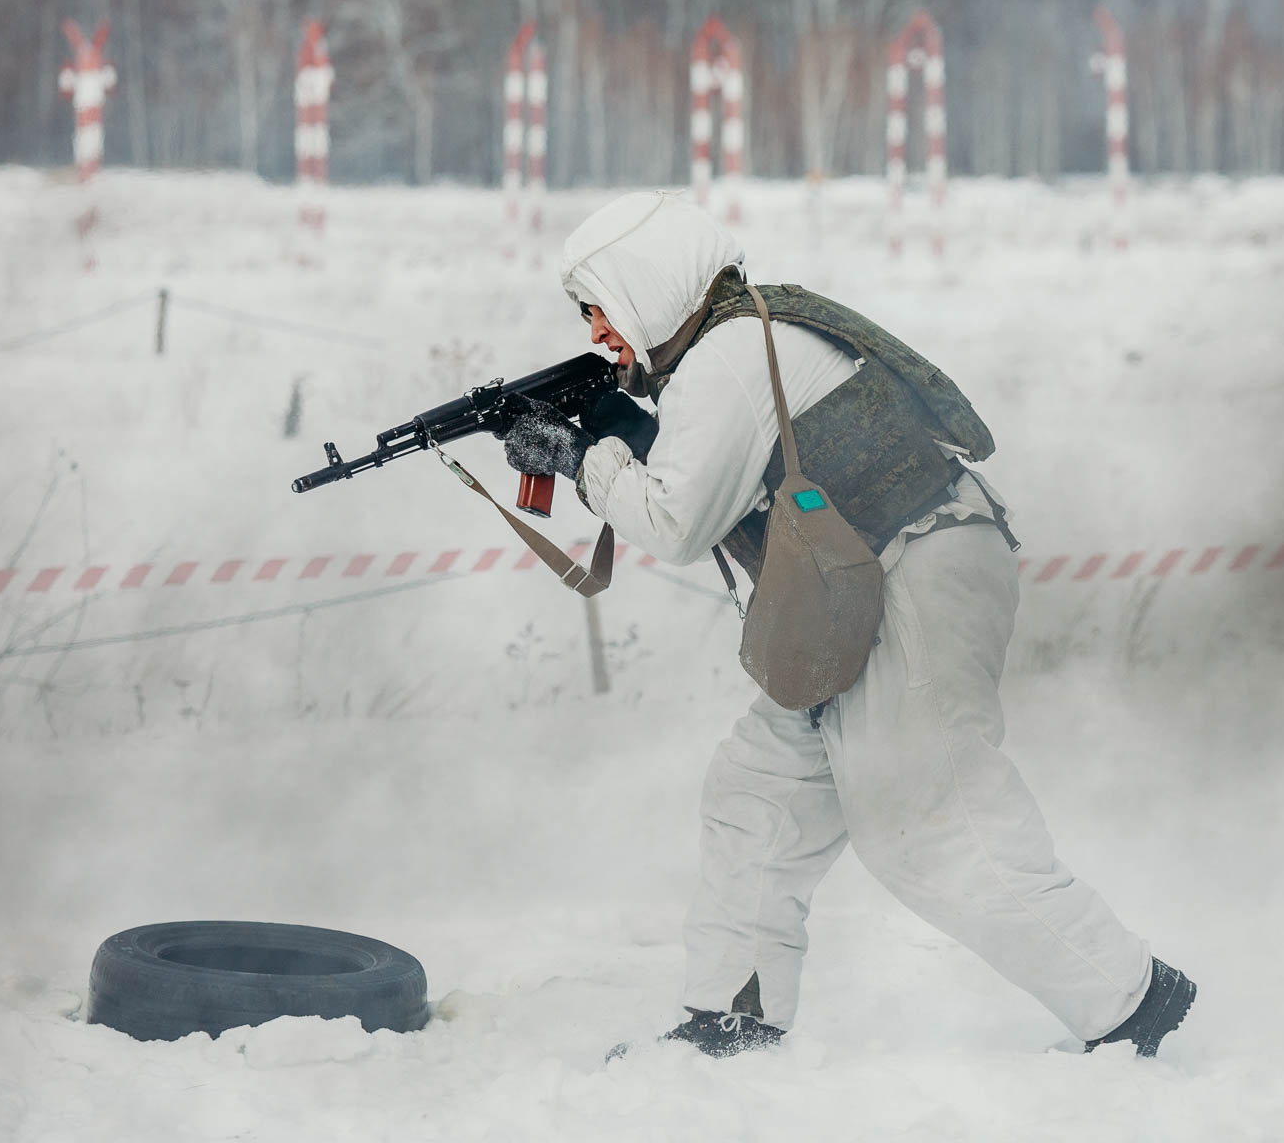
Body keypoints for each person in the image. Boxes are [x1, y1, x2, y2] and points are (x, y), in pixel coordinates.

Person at [497, 191, 1195, 1060]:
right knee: (758, 798)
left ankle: (1128, 1002)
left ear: (645, 288)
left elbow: (677, 523)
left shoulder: (730, 354)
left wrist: (581, 458)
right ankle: (732, 1018)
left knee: (931, 823)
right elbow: (723, 478)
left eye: (601, 310)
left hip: (911, 575)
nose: (600, 335)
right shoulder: (748, 335)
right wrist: (615, 434)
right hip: (861, 593)